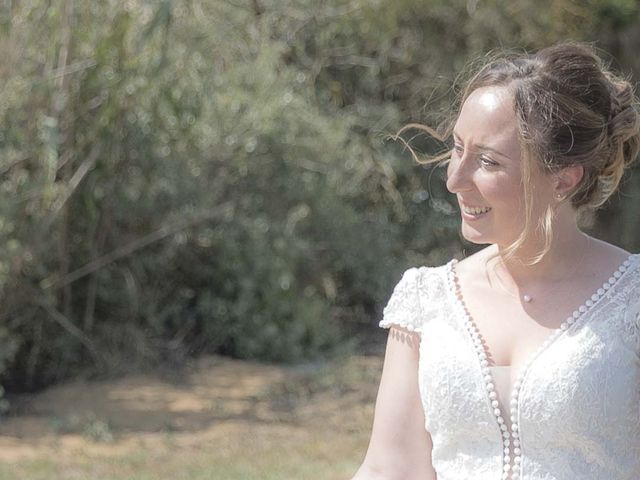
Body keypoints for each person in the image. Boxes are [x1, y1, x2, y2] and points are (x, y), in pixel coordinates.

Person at [351, 42, 640, 480]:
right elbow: (390, 468)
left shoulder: (632, 300)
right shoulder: (424, 300)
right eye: (457, 148)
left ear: (563, 179)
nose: (453, 179)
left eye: (487, 161)